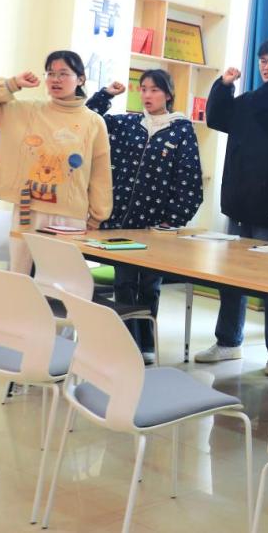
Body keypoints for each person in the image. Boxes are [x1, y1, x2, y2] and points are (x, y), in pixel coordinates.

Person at [196, 37, 268, 377]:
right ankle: (228, 341)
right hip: (240, 203)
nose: (267, 66)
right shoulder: (248, 100)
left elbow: (267, 108)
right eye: (263, 60)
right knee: (231, 280)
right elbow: (216, 118)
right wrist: (223, 86)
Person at [87, 71, 203, 364]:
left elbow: (189, 180)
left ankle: (147, 344)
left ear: (168, 94)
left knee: (150, 286)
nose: (147, 95)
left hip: (156, 229)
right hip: (121, 226)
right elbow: (88, 119)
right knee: (124, 284)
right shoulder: (127, 124)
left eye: (154, 90)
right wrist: (106, 94)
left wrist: (174, 219)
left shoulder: (181, 130)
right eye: (143, 89)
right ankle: (126, 343)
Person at [0, 51, 112, 274]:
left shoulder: (94, 122)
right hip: (27, 206)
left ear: (80, 79)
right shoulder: (25, 111)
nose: (56, 79)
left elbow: (101, 173)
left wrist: (97, 216)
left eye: (63, 73)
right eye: (50, 73)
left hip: (69, 214)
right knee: (19, 273)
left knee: (61, 278)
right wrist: (13, 83)